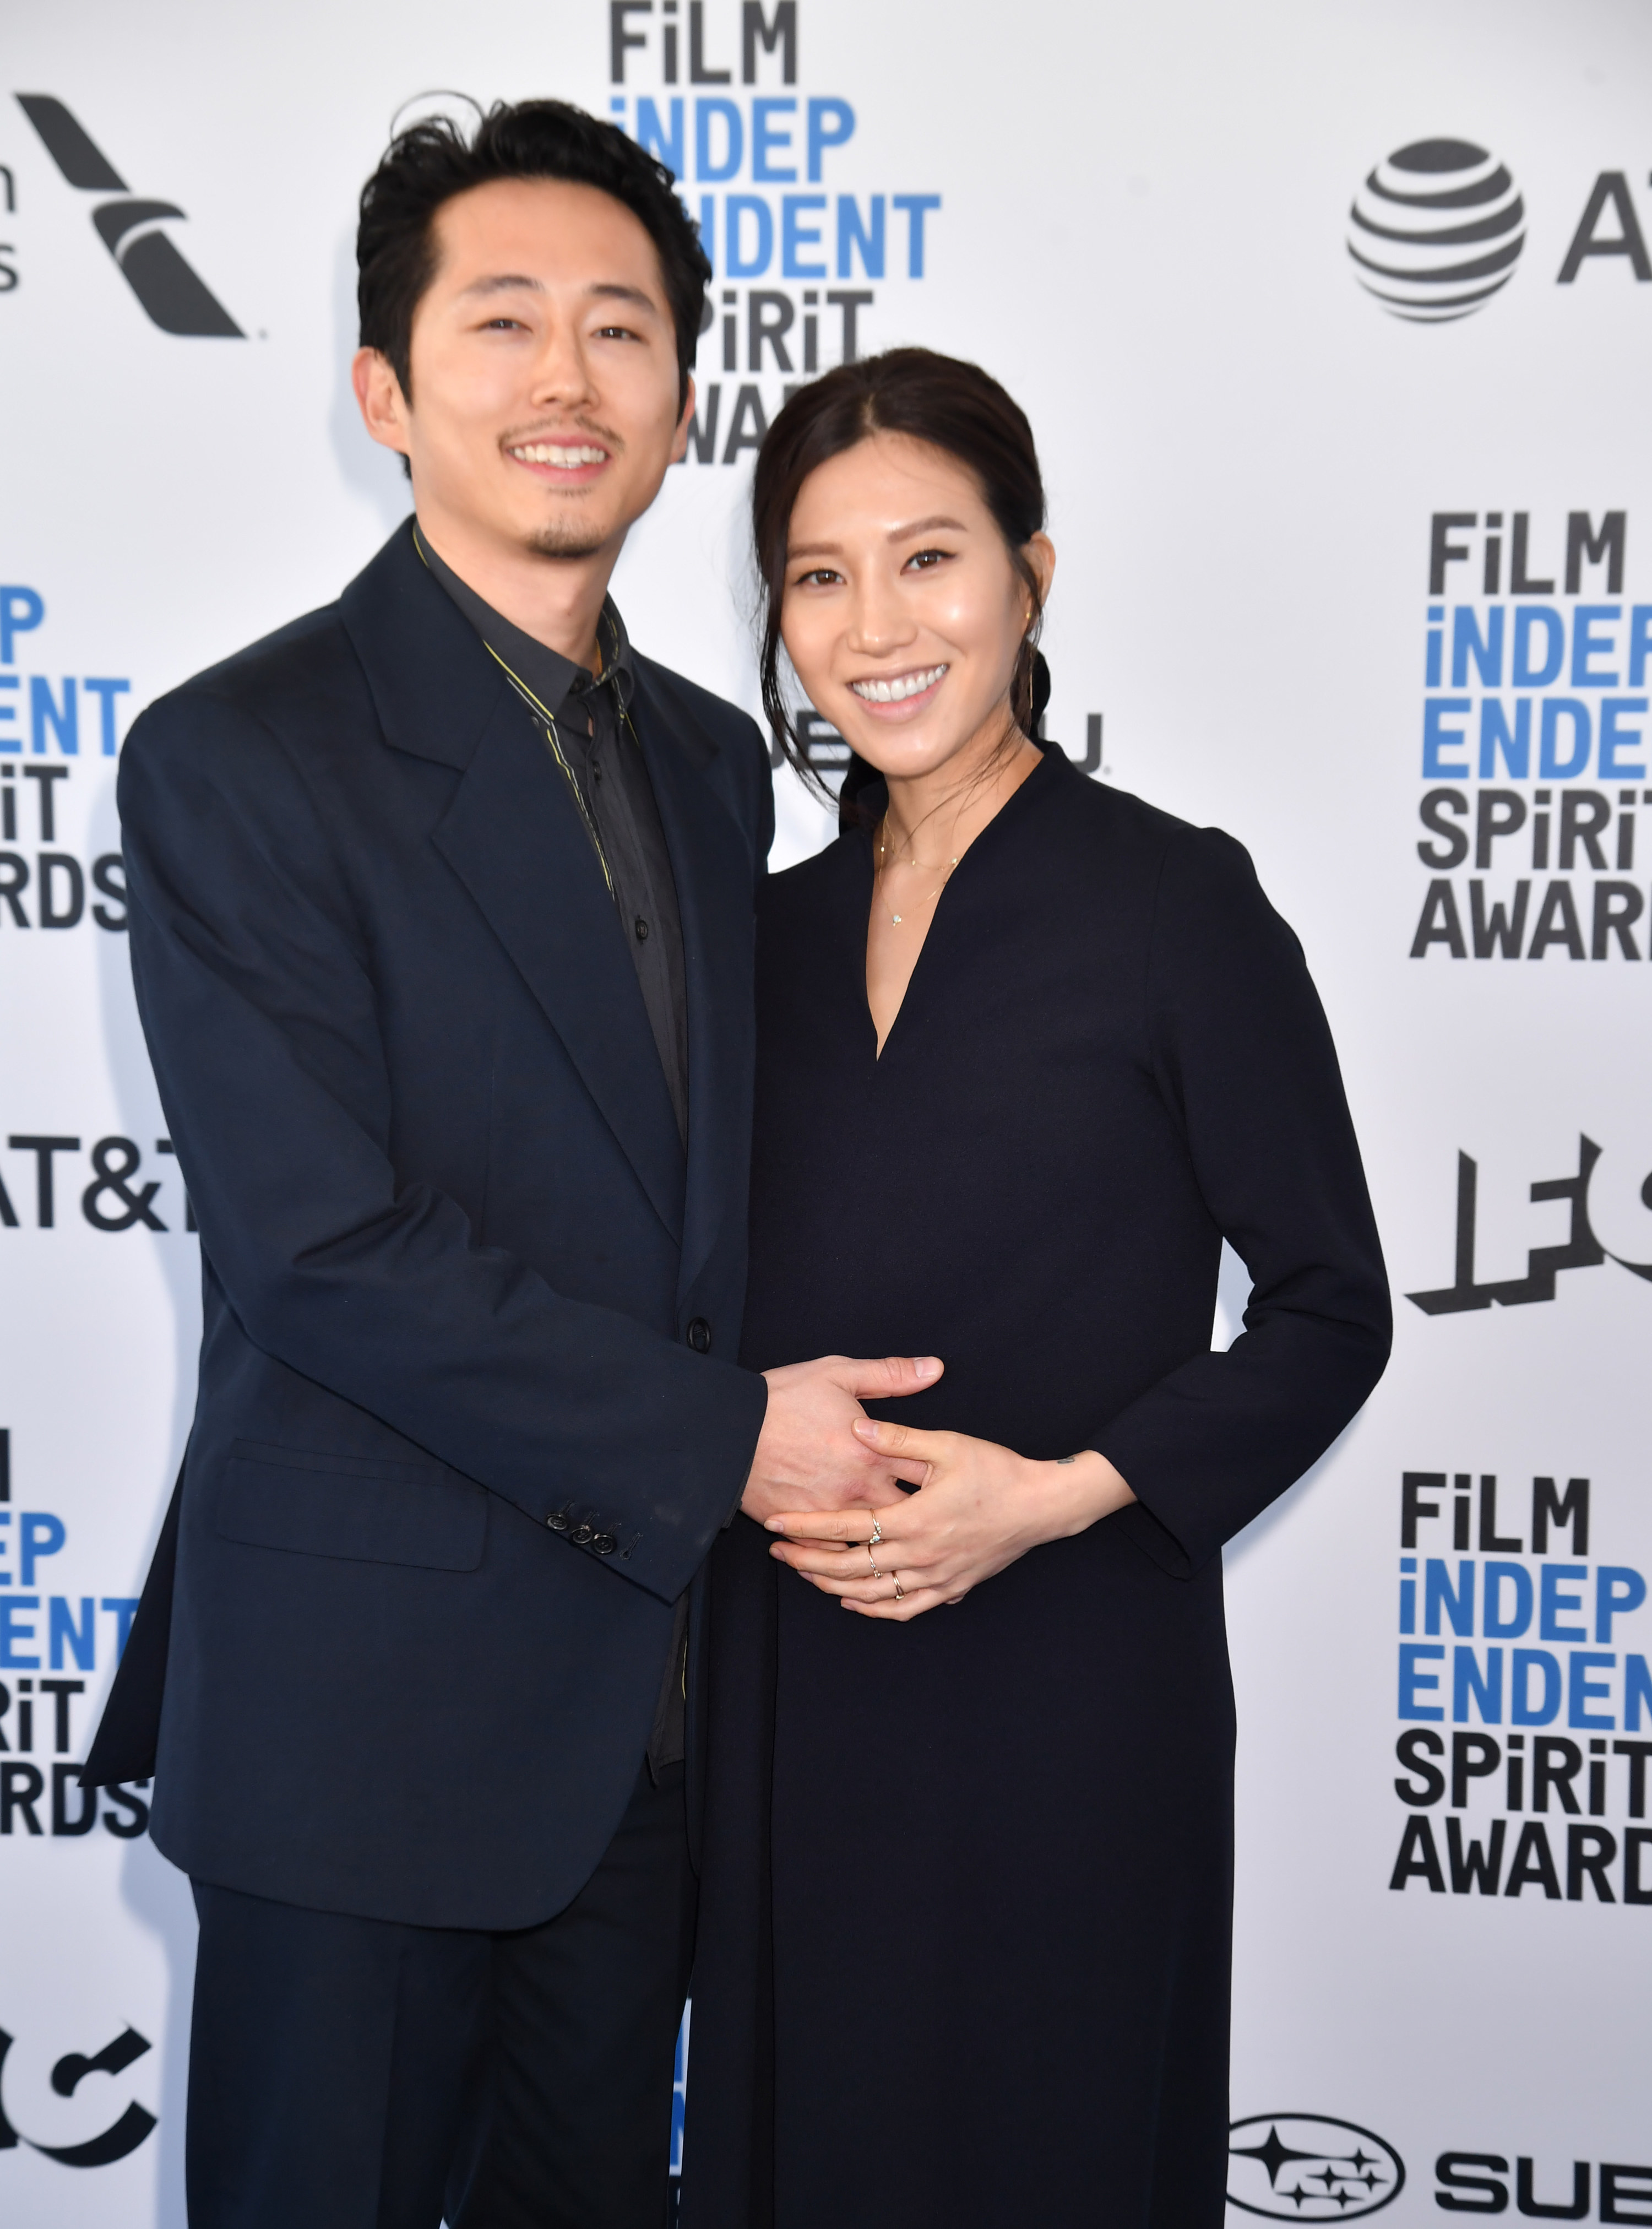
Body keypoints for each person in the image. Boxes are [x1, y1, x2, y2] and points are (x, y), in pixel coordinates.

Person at [81, 104, 937, 2229]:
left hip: (650, 1732)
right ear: (385, 391)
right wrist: (732, 1441)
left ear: (676, 411)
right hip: (366, 1738)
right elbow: (324, 1249)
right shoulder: (237, 753)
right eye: (505, 324)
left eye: (622, 332)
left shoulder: (723, 760)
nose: (568, 380)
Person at [681, 349, 1393, 2229]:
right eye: (820, 577)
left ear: (1033, 576)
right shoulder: (757, 936)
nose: (876, 624)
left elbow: (1334, 1305)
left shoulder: (1179, 905)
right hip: (795, 1686)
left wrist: (1062, 1497)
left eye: (930, 559)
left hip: (1075, 1686)